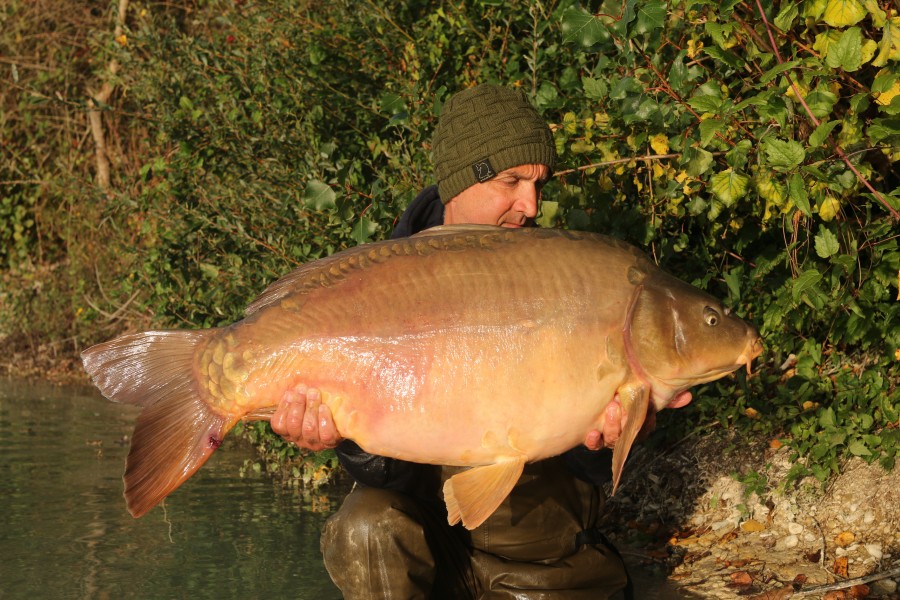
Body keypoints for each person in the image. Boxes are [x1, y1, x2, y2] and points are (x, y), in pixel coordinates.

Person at [272, 84, 686, 599]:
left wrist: (611, 433)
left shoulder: (570, 276)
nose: (531, 204)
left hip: (546, 568)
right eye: (511, 180)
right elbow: (388, 475)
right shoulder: (381, 280)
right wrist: (335, 436)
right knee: (367, 525)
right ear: (459, 185)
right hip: (433, 559)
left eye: (539, 184)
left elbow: (595, 473)